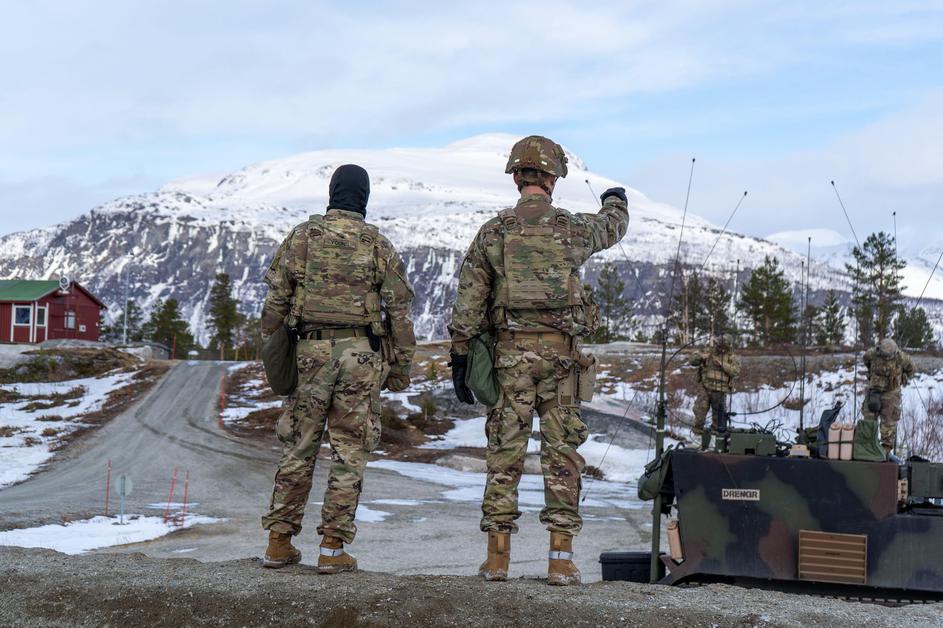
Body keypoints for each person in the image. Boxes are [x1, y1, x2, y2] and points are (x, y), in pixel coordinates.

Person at [448, 135, 629, 586]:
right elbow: (611, 228)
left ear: (516, 177)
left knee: (504, 453)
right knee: (562, 454)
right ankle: (561, 559)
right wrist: (616, 201)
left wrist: (460, 353)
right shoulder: (571, 228)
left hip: (510, 357)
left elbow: (469, 297)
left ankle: (497, 558)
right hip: (561, 361)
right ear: (552, 178)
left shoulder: (495, 231)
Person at [259, 164, 416, 573]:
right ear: (364, 198)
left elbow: (275, 300)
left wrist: (274, 350)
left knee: (299, 445)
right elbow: (399, 311)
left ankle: (279, 542)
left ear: (332, 193)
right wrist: (400, 367)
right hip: (361, 355)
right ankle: (332, 549)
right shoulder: (377, 244)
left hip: (309, 352)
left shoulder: (301, 237)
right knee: (349, 451)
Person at [862, 337, 915, 456]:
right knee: (869, 419)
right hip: (874, 391)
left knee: (889, 422)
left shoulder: (901, 357)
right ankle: (867, 447)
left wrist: (903, 377)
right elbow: (866, 360)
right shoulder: (872, 353)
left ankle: (885, 452)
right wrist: (871, 373)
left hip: (891, 392)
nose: (886, 358)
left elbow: (912, 369)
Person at [690, 334, 740, 448]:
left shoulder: (731, 357)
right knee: (699, 412)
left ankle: (714, 442)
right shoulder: (708, 352)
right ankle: (697, 439)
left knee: (719, 418)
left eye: (723, 346)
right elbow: (692, 361)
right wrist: (702, 357)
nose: (720, 348)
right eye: (718, 345)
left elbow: (736, 372)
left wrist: (722, 365)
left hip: (720, 391)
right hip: (705, 388)